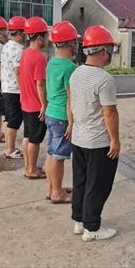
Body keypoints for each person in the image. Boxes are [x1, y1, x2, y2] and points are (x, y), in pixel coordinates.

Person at [70, 25, 120, 241]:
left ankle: (79, 221)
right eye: (109, 49)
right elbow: (109, 113)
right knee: (97, 185)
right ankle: (92, 228)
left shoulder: (76, 72)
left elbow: (71, 102)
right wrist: (115, 140)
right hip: (98, 142)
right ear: (102, 51)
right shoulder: (104, 78)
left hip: (79, 139)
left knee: (80, 181)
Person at [45, 21, 79, 204]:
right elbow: (70, 99)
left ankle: (52, 189)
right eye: (74, 42)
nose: (75, 46)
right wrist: (72, 123)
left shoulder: (51, 63)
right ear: (68, 43)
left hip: (51, 113)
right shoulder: (70, 67)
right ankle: (58, 193)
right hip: (61, 117)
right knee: (59, 157)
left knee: (51, 153)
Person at [20, 17, 49, 179]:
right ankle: (31, 170)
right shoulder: (39, 58)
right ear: (39, 38)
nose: (46, 39)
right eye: (45, 36)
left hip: (25, 103)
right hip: (35, 106)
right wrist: (44, 105)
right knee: (35, 140)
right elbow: (40, 84)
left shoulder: (25, 53)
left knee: (27, 136)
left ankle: (28, 166)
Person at [1, 16, 27, 159]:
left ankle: (8, 147)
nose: (26, 35)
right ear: (18, 33)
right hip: (14, 90)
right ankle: (10, 149)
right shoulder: (18, 49)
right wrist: (23, 91)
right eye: (24, 32)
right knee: (14, 121)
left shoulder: (6, 46)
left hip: (6, 87)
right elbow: (18, 72)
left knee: (9, 118)